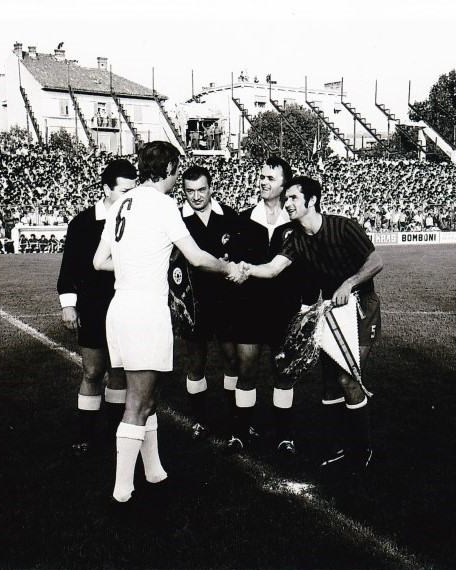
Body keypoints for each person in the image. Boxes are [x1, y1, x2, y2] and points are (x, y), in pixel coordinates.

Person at [93, 141, 242, 504]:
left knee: (148, 397)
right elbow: (197, 258)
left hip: (120, 308)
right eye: (177, 171)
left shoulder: (122, 203)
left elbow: (99, 261)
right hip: (145, 311)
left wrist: (138, 266)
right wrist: (228, 267)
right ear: (171, 168)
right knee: (137, 401)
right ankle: (122, 490)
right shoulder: (163, 204)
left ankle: (154, 469)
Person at [236, 176, 383, 473]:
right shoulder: (296, 238)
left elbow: (376, 261)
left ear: (312, 200)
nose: (287, 203)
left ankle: (362, 450)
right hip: (331, 311)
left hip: (361, 308)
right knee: (329, 383)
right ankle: (339, 447)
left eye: (293, 198)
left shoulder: (343, 227)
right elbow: (273, 269)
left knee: (347, 379)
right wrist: (247, 268)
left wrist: (349, 283)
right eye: (286, 198)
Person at [227, 156, 318, 456]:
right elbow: (234, 264)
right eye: (262, 176)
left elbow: (308, 268)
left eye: (270, 178)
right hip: (248, 309)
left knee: (284, 373)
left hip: (285, 310)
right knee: (246, 372)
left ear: (284, 185)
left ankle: (284, 436)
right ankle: (240, 432)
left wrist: (306, 307)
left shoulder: (295, 223)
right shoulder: (243, 219)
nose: (263, 182)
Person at [57, 159, 136, 454]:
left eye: (133, 191)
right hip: (93, 307)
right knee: (92, 371)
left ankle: (115, 433)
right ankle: (85, 435)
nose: (129, 197)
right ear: (106, 189)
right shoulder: (82, 223)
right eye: (124, 191)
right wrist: (68, 305)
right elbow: (69, 268)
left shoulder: (134, 221)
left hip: (125, 305)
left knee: (119, 373)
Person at [178, 164, 240, 441]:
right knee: (196, 363)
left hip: (227, 301)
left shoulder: (228, 215)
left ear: (211, 188)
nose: (196, 196)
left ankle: (236, 420)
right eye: (190, 191)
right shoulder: (177, 219)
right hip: (193, 304)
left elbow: (239, 255)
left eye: (201, 189)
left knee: (232, 360)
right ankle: (199, 420)